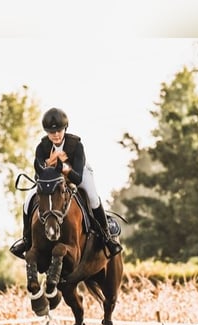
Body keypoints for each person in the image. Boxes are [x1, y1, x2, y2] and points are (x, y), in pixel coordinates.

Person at [10, 107, 123, 259]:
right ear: (47, 132)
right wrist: (50, 167)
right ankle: (26, 239)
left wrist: (63, 167)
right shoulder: (42, 147)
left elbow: (77, 179)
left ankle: (107, 236)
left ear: (65, 129)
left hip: (79, 174)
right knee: (28, 199)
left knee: (93, 197)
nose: (56, 135)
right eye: (51, 132)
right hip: (55, 182)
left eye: (59, 131)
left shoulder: (76, 145)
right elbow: (39, 176)